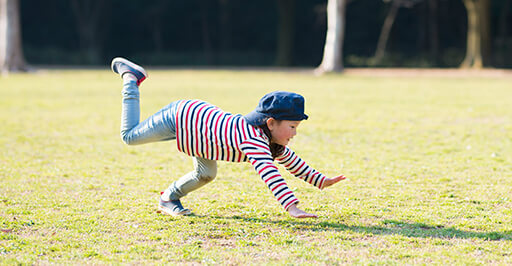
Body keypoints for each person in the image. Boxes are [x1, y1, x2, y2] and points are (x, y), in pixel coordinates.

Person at [110, 57, 346, 218]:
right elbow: (269, 173)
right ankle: (131, 78)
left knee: (206, 174)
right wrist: (292, 207)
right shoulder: (253, 139)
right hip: (182, 117)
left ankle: (168, 199)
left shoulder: (270, 140)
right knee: (129, 137)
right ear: (271, 124)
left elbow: (292, 162)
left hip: (201, 139)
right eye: (293, 126)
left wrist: (320, 181)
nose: (295, 133)